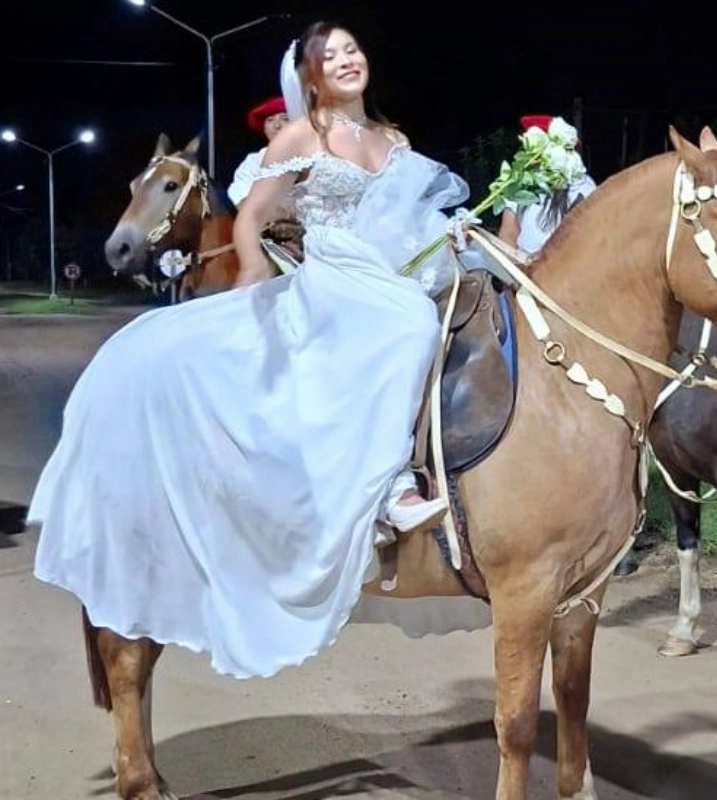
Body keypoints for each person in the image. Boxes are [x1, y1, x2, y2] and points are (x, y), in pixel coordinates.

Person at [28, 20, 476, 680]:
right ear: (311, 77)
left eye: (353, 48)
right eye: (330, 56)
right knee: (408, 324)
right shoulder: (303, 136)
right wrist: (250, 267)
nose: (346, 60)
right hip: (334, 272)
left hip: (388, 268)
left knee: (453, 319)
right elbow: (251, 214)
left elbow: (411, 220)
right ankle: (390, 489)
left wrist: (454, 232)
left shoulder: (393, 139)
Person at [497, 113, 596, 259]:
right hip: (520, 271)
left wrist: (541, 261)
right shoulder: (520, 183)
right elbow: (508, 233)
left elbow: (581, 239)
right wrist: (511, 268)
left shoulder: (582, 187)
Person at [227, 96, 289, 207]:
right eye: (270, 120)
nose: (277, 125)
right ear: (264, 128)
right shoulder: (253, 162)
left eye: (285, 118)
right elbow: (240, 197)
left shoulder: (310, 156)